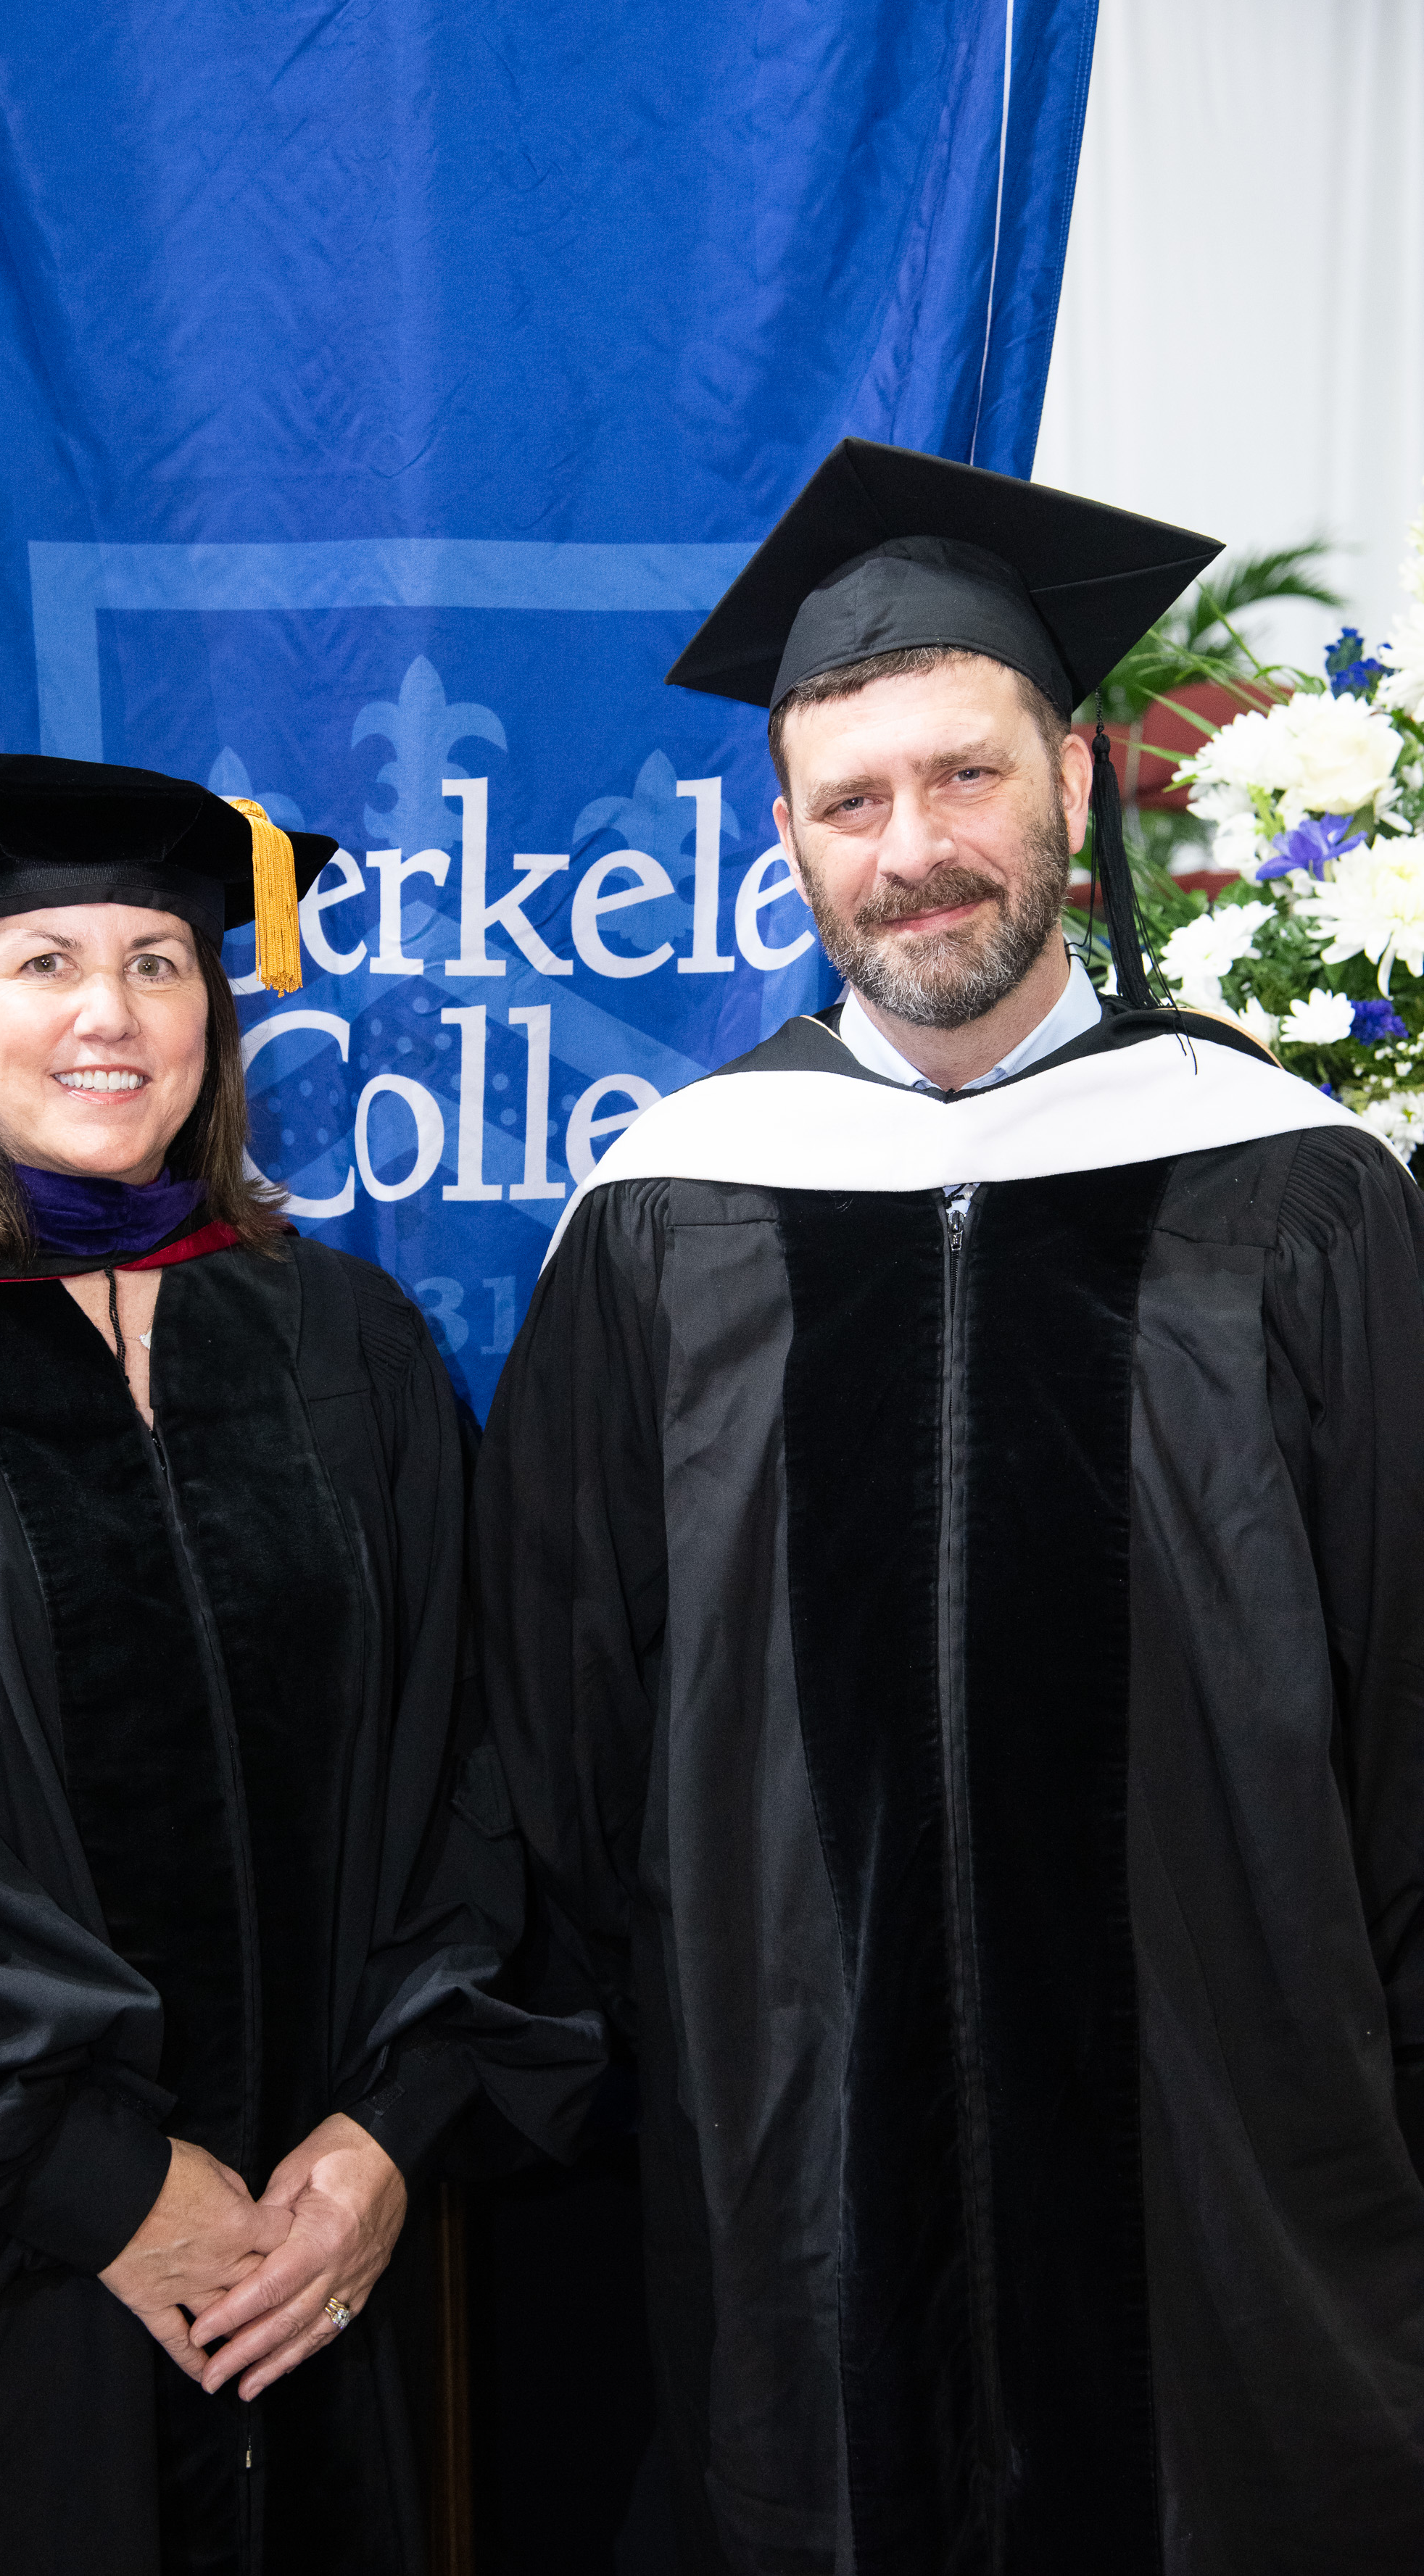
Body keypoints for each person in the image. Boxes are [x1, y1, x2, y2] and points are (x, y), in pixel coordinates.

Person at [475, 440, 1424, 2575]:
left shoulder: (1294, 1189)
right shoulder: (667, 1216)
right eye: (852, 802)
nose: (913, 851)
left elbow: (1411, 1694)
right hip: (797, 2171)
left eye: (964, 776)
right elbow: (563, 1731)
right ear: (789, 841)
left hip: (1242, 2171)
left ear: (1074, 780)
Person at [0, 755, 598, 2576]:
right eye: (45, 962)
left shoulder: (342, 1336)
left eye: (160, 963)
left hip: (311, 2273)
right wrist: (99, 2185)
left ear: (213, 1024)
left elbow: (477, 1761)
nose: (110, 1013)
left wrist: (386, 2131)